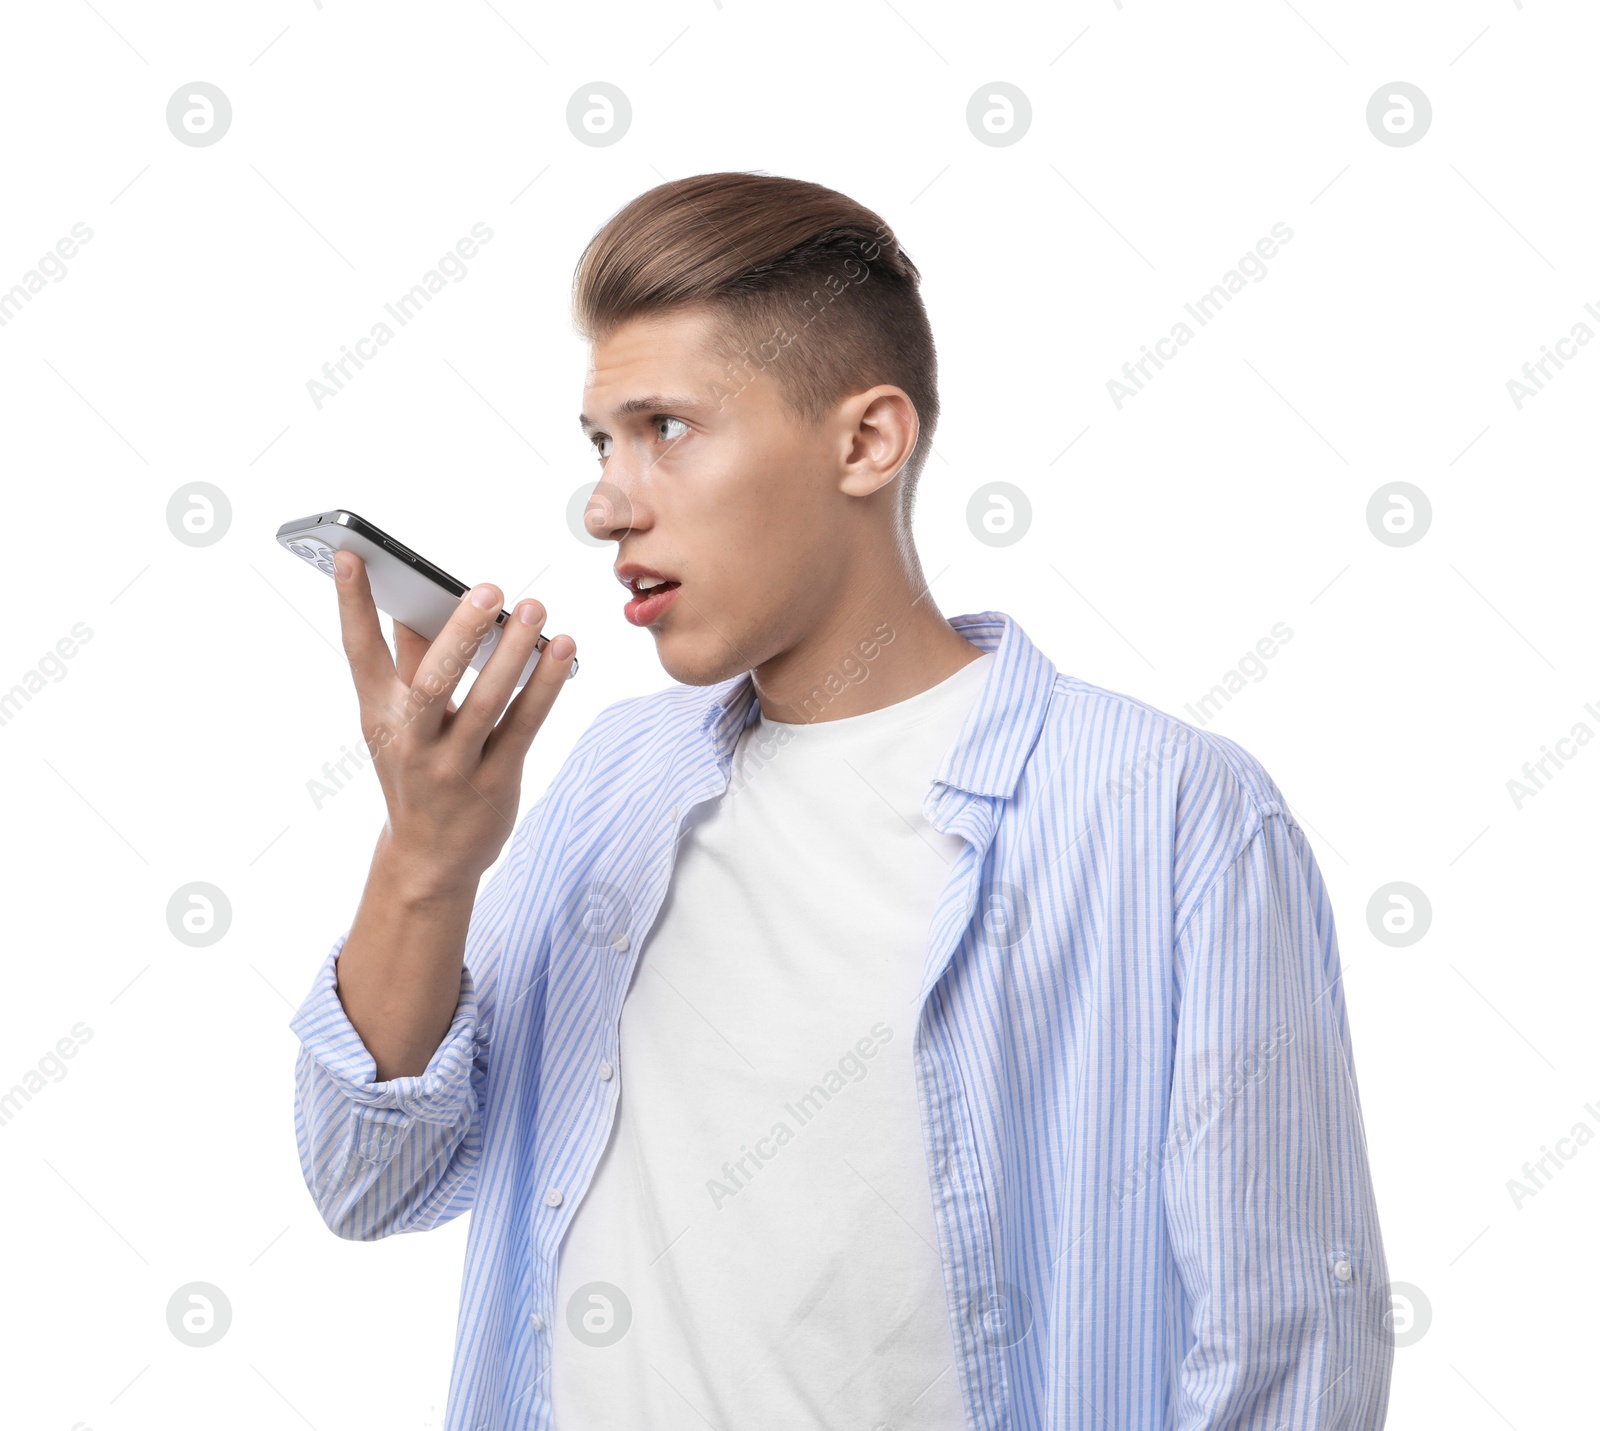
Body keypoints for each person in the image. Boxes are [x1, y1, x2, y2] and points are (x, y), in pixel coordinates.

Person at [290, 171, 1394, 1430]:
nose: (605, 505)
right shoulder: (616, 779)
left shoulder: (1169, 814)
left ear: (866, 441)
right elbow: (369, 1183)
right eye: (602, 442)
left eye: (668, 428)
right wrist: (425, 862)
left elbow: (1289, 1354)